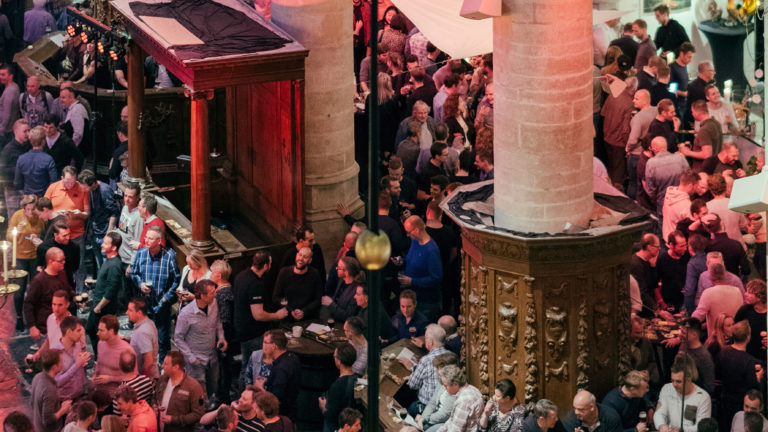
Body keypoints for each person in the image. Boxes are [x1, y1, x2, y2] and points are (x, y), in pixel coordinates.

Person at [233, 249, 288, 381]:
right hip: (252, 333)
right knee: (252, 369)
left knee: (246, 365)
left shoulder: (241, 275)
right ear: (265, 266)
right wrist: (277, 315)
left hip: (241, 329)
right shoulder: (255, 284)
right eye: (270, 264)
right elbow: (258, 314)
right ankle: (247, 396)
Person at [130, 225, 180, 361]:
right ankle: (147, 363)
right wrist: (140, 284)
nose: (146, 240)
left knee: (163, 338)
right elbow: (134, 274)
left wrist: (165, 300)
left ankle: (164, 366)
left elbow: (176, 281)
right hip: (145, 305)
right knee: (144, 336)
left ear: (159, 241)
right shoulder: (141, 254)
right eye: (146, 237)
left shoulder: (169, 257)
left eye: (150, 238)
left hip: (161, 305)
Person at [174, 279, 227, 400]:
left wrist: (221, 337)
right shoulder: (186, 314)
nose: (216, 294)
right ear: (202, 296)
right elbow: (178, 338)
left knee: (213, 387)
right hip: (195, 361)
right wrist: (192, 358)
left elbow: (218, 322)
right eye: (212, 292)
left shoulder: (214, 304)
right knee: (198, 394)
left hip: (212, 357)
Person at [6, 194, 44, 330]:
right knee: (19, 291)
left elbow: (44, 235)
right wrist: (16, 231)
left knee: (35, 290)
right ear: (23, 207)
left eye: (32, 209)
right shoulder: (17, 216)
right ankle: (19, 318)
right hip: (20, 257)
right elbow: (8, 236)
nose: (29, 212)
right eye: (27, 209)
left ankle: (34, 317)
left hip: (35, 257)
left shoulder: (40, 217)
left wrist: (38, 240)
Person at [717, 320, 763, 429]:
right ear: (748, 337)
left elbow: (718, 374)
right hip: (740, 406)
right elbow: (754, 388)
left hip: (724, 402)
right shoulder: (748, 361)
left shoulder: (723, 352)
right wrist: (759, 378)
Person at [86, 232, 122, 357]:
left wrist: (98, 307)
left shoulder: (114, 265)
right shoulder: (109, 261)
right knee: (91, 330)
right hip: (98, 305)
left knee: (101, 336)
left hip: (103, 309)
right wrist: (95, 282)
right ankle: (100, 357)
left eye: (106, 243)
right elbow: (106, 282)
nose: (102, 244)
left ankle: (102, 359)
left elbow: (111, 290)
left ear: (114, 247)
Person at [654, 354, 711, 432]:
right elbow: (659, 412)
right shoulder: (666, 388)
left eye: (678, 381)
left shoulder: (703, 397)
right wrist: (661, 425)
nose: (674, 385)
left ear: (689, 379)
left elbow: (701, 427)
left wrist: (683, 430)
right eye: (672, 380)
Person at [24, 249, 73, 340]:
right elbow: (28, 304)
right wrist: (32, 327)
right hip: (46, 328)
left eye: (64, 259)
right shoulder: (39, 281)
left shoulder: (62, 273)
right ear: (50, 261)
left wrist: (74, 297)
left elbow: (67, 290)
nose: (64, 262)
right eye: (60, 260)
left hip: (62, 324)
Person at [78, 169, 119, 271]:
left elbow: (114, 212)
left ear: (92, 184)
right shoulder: (90, 191)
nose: (83, 189)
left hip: (104, 231)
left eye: (85, 187)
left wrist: (109, 232)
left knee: (106, 263)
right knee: (99, 263)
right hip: (94, 230)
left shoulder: (104, 190)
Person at [404, 324, 449, 416]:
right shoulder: (452, 356)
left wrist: (412, 376)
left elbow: (413, 385)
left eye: (425, 338)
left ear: (431, 342)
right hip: (446, 406)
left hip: (426, 407)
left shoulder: (426, 360)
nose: (425, 340)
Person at [155, 351, 205, 432]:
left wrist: (174, 420)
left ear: (175, 367)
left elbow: (198, 414)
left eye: (165, 364)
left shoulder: (193, 387)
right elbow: (155, 397)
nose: (162, 365)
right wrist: (154, 407)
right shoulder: (162, 379)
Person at [692, 263, 744, 335]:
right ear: (725, 275)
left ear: (710, 276)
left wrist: (686, 324)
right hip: (735, 336)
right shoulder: (737, 291)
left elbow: (698, 316)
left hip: (716, 338)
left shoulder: (708, 293)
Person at [273, 247, 323, 320]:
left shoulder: (315, 274)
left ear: (310, 261)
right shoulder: (284, 272)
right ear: (296, 255)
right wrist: (291, 310)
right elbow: (276, 297)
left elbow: (318, 299)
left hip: (309, 317)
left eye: (305, 257)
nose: (301, 259)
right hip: (287, 317)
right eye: (300, 255)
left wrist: (304, 311)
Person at [260, 329, 301, 420]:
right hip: (292, 411)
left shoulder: (280, 369)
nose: (263, 345)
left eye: (265, 342)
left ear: (274, 346)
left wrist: (262, 390)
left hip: (281, 416)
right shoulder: (293, 357)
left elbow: (275, 399)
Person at [319, 343, 359, 432]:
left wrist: (323, 406)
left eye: (335, 357)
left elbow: (330, 414)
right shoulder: (359, 379)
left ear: (339, 361)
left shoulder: (336, 386)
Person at [30, 349, 72, 432]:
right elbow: (47, 420)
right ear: (54, 367)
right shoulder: (49, 389)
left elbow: (32, 403)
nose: (62, 364)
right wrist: (63, 410)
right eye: (60, 362)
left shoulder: (37, 377)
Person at [93, 314, 135, 394]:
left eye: (101, 330)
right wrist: (94, 375)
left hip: (116, 395)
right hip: (100, 392)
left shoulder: (126, 350)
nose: (97, 333)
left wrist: (110, 378)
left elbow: (132, 377)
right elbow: (99, 363)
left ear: (111, 331)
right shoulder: (100, 343)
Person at [435, 364, 483, 432]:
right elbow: (452, 420)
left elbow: (455, 430)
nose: (444, 388)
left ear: (455, 384)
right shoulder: (471, 388)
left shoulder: (464, 401)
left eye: (446, 385)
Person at [418, 352, 459, 432]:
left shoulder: (454, 385)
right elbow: (432, 402)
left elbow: (445, 414)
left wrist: (425, 420)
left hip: (445, 423)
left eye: (438, 368)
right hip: (434, 417)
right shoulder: (442, 380)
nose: (436, 371)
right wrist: (423, 418)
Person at [52, 316, 89, 400]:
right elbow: (57, 382)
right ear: (68, 332)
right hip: (65, 400)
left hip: (81, 395)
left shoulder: (78, 345)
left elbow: (81, 371)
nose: (81, 334)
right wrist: (77, 365)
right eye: (78, 331)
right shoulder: (55, 353)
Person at [14, 125, 57, 196]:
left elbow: (17, 184)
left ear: (31, 141)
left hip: (28, 201)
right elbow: (54, 182)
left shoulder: (21, 159)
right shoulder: (48, 159)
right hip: (44, 199)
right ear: (43, 141)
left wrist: (26, 199)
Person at [0, 119, 31, 217]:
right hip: (12, 190)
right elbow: (2, 169)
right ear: (16, 132)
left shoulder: (30, 146)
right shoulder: (8, 150)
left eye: (29, 130)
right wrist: (20, 169)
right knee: (14, 219)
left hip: (26, 188)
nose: (27, 134)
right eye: (25, 131)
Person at [36, 221, 80, 288]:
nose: (68, 237)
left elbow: (75, 267)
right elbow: (39, 266)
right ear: (55, 235)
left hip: (68, 284)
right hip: (50, 285)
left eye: (69, 234)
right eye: (64, 235)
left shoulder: (74, 247)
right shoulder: (43, 247)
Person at [112, 351, 154, 416]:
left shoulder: (119, 393)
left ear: (119, 366)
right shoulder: (147, 381)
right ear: (135, 365)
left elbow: (117, 417)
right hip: (147, 417)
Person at [126, 297, 159, 379]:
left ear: (139, 313)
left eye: (130, 310)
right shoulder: (149, 322)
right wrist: (128, 340)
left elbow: (148, 362)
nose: (126, 312)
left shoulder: (143, 331)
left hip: (145, 378)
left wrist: (144, 381)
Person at [322, 256, 364, 322]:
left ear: (347, 272)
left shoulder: (357, 290)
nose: (336, 268)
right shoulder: (341, 280)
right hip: (335, 319)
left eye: (339, 268)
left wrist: (331, 304)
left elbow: (349, 315)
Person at [735, 279, 767, 360]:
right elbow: (735, 329)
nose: (745, 294)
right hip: (747, 356)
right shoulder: (744, 310)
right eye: (746, 291)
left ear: (760, 298)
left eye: (750, 293)